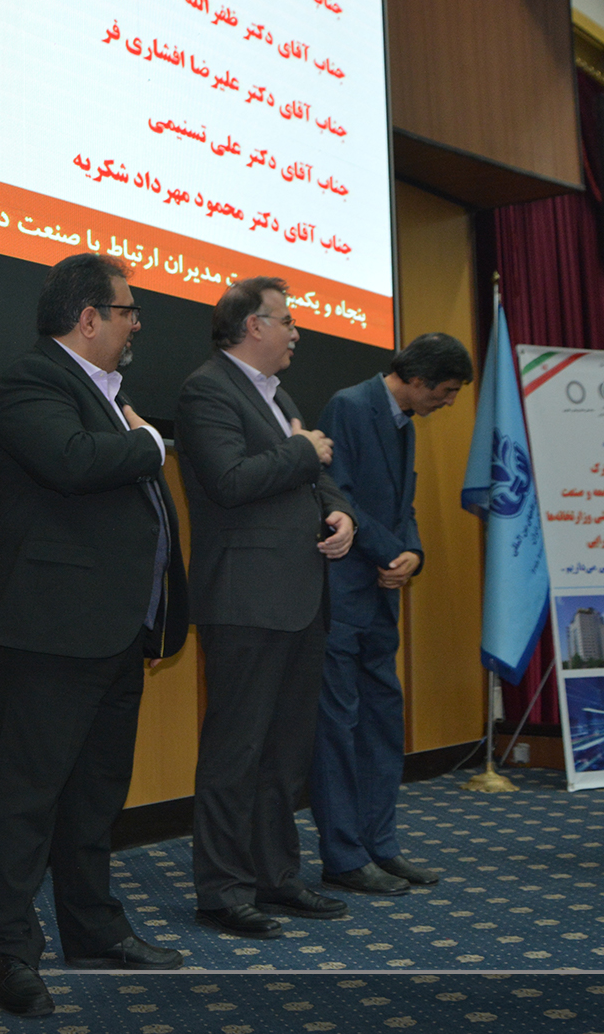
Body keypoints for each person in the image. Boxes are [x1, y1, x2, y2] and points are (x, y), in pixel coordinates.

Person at [0, 253, 190, 1018]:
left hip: (116, 629)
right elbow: (70, 462)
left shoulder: (112, 397)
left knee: (95, 799)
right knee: (24, 803)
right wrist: (151, 445)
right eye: (128, 312)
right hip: (47, 630)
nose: (137, 326)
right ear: (89, 318)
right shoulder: (30, 381)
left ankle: (94, 931)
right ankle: (8, 955)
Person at [176, 278, 357, 936]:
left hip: (300, 595)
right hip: (244, 598)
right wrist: (302, 452)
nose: (297, 333)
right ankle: (223, 891)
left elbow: (317, 475)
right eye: (288, 321)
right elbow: (229, 481)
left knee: (284, 753)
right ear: (253, 325)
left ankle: (276, 877)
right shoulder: (206, 391)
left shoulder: (278, 395)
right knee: (237, 751)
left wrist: (339, 511)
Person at [313, 332, 472, 897]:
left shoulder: (405, 422)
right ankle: (344, 856)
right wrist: (390, 553)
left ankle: (380, 846)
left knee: (382, 723)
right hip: (343, 596)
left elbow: (404, 506)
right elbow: (338, 496)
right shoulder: (349, 406)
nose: (448, 402)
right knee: (338, 728)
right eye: (446, 391)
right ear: (419, 380)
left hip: (380, 597)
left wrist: (414, 555)